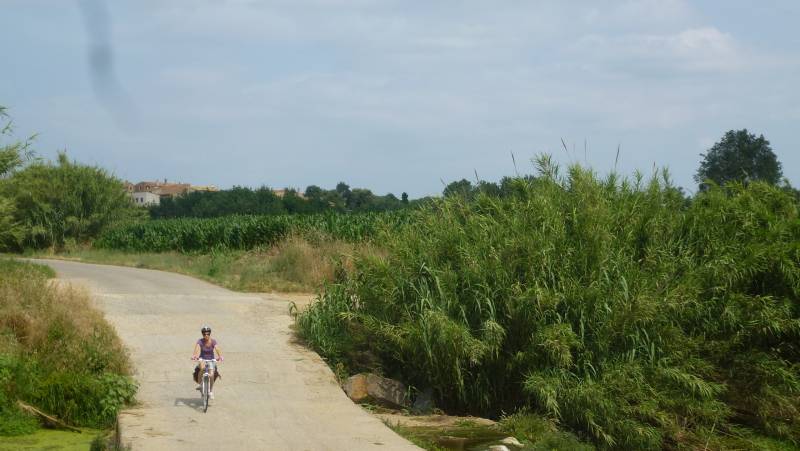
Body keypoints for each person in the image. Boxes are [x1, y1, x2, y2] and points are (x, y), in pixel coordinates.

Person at [192, 324, 223, 398]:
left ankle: (211, 391)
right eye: (204, 334)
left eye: (208, 334)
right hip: (202, 359)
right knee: (202, 369)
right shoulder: (200, 341)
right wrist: (194, 355)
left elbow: (217, 349)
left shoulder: (213, 341)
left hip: (211, 360)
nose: (206, 335)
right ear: (202, 334)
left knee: (211, 375)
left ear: (210, 334)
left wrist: (220, 356)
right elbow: (197, 348)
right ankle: (199, 384)